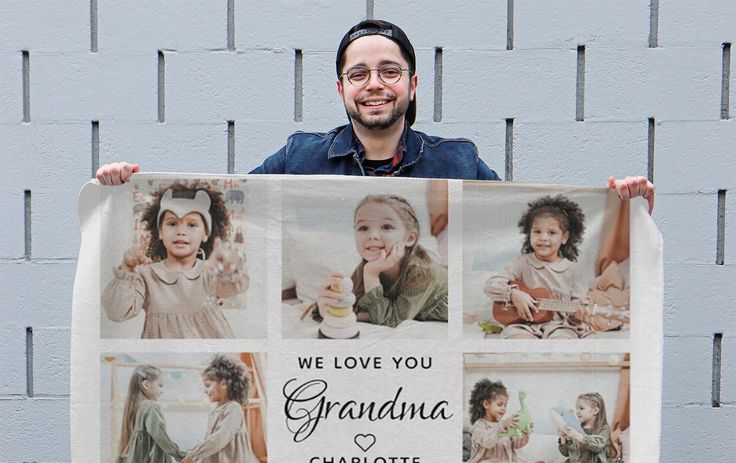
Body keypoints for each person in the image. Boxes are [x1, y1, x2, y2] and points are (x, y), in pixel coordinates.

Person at [94, 19, 655, 210]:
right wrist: (133, 189)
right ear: (341, 88)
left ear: (412, 84)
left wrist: (621, 210)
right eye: (359, 74)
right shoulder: (301, 156)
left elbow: (516, 229)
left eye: (389, 71)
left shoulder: (458, 161)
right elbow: (226, 207)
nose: (375, 85)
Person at [102, 181, 248, 338]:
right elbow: (116, 312)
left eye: (192, 225)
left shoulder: (208, 272)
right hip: (165, 355)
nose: (181, 231)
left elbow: (231, 288)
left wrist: (227, 269)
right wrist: (127, 267)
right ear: (160, 232)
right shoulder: (146, 275)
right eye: (172, 223)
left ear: (206, 234)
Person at [315, 194, 447, 328]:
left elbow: (390, 320)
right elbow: (356, 308)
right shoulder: (368, 267)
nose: (372, 235)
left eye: (387, 227)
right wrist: (327, 307)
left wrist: (371, 275)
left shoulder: (422, 273)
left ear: (410, 238)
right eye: (363, 228)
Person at [484, 194, 600, 339]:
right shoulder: (522, 263)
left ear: (564, 237)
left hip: (560, 326)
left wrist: (579, 312)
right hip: (524, 325)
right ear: (529, 234)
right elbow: (490, 285)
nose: (543, 237)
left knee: (562, 340)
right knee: (514, 338)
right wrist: (515, 295)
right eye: (537, 231)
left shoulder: (573, 271)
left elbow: (578, 306)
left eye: (551, 232)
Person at [181, 355, 254, 463]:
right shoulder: (216, 410)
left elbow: (219, 438)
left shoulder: (234, 408)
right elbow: (211, 440)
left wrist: (194, 454)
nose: (205, 390)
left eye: (208, 385)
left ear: (225, 383)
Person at [108, 364, 185, 463]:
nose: (162, 390)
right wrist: (178, 454)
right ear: (146, 385)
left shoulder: (134, 407)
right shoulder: (150, 407)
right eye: (160, 385)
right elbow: (160, 436)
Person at [468, 378, 530, 463]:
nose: (503, 408)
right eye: (500, 404)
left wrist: (525, 433)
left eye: (505, 405)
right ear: (486, 404)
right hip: (485, 462)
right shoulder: (479, 426)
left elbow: (517, 444)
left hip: (505, 461)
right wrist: (502, 426)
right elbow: (488, 442)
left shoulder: (506, 423)